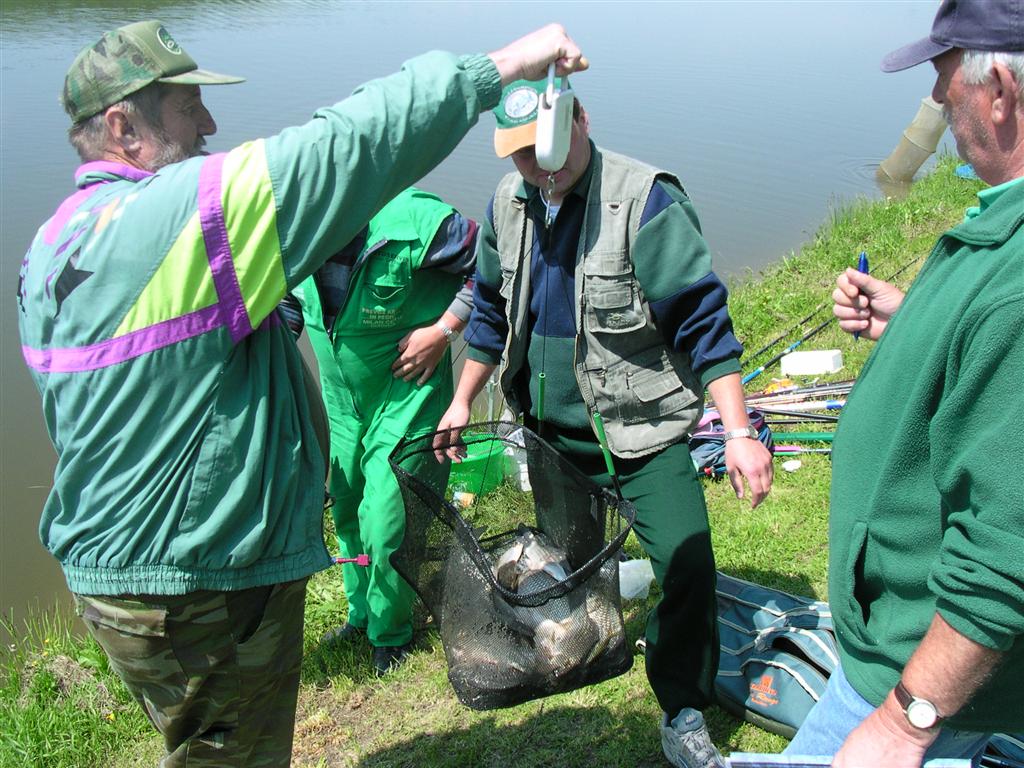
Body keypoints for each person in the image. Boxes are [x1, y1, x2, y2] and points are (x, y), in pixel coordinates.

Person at [16, 18, 587, 766]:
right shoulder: (180, 221)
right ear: (124, 126)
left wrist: (442, 329)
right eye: (188, 107)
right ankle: (370, 621)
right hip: (197, 580)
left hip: (111, 579)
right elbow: (347, 144)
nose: (209, 124)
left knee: (206, 739)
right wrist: (503, 65)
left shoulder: (51, 249)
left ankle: (385, 624)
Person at [434, 77, 774, 768]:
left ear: (581, 120)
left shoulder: (646, 200)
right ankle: (587, 636)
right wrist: (462, 399)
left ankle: (683, 705)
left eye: (547, 149)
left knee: (687, 562)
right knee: (575, 569)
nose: (538, 168)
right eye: (521, 155)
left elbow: (704, 323)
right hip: (550, 437)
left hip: (641, 431)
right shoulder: (507, 203)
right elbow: (491, 311)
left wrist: (738, 433)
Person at [784, 1, 1024, 765]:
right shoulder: (1005, 228)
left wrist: (904, 722)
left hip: (918, 675)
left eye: (945, 76)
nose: (937, 98)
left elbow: (1005, 546)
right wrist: (913, 322)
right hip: (911, 659)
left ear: (1000, 92)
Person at [279, 186, 478, 676]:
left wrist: (444, 331)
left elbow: (496, 264)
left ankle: (393, 635)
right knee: (347, 508)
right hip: (340, 400)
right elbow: (285, 307)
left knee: (387, 517)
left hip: (405, 393)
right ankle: (362, 615)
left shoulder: (416, 221)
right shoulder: (292, 228)